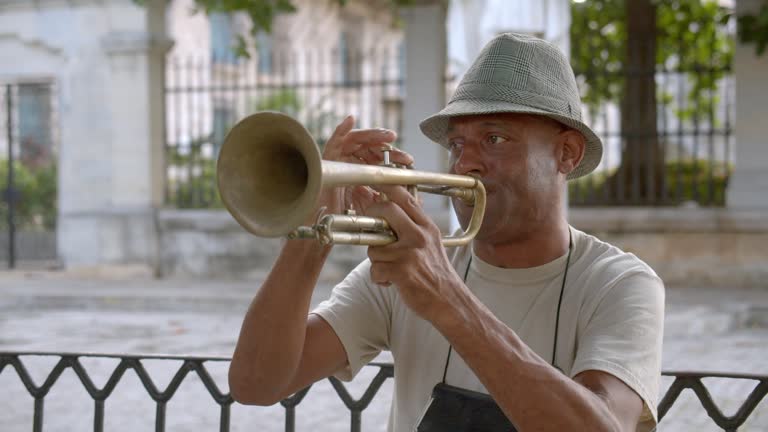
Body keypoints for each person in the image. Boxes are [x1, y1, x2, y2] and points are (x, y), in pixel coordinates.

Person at [228, 33, 664, 432]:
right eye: (457, 144)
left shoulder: (621, 284)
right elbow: (256, 384)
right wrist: (314, 223)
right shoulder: (406, 271)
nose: (463, 164)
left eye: (494, 139)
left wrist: (445, 297)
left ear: (566, 153)